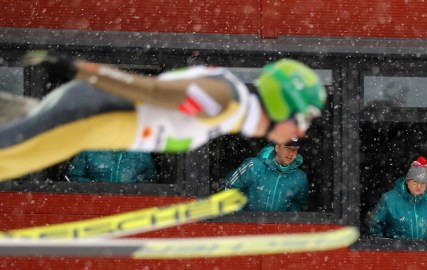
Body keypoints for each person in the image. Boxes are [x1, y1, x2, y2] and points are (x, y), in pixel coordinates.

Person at [0, 52, 326, 181]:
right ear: (283, 104)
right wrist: (78, 69)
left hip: (88, 120)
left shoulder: (233, 110)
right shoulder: (222, 100)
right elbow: (150, 92)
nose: (303, 129)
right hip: (87, 116)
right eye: (304, 117)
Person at [367, 156, 427, 240]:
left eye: (423, 183)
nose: (419, 186)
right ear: (407, 181)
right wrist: (383, 247)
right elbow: (374, 225)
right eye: (415, 181)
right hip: (397, 251)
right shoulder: (389, 199)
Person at [222, 138, 308, 212]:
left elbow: (299, 204)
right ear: (277, 148)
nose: (291, 153)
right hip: (246, 226)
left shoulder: (299, 177)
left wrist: (287, 222)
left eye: (294, 150)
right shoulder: (254, 166)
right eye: (287, 148)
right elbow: (229, 187)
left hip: (278, 229)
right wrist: (238, 217)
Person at [67, 150, 157, 183]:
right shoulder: (89, 151)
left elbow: (151, 181)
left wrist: (132, 188)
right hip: (93, 206)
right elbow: (73, 177)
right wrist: (97, 188)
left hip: (129, 206)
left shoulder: (142, 154)